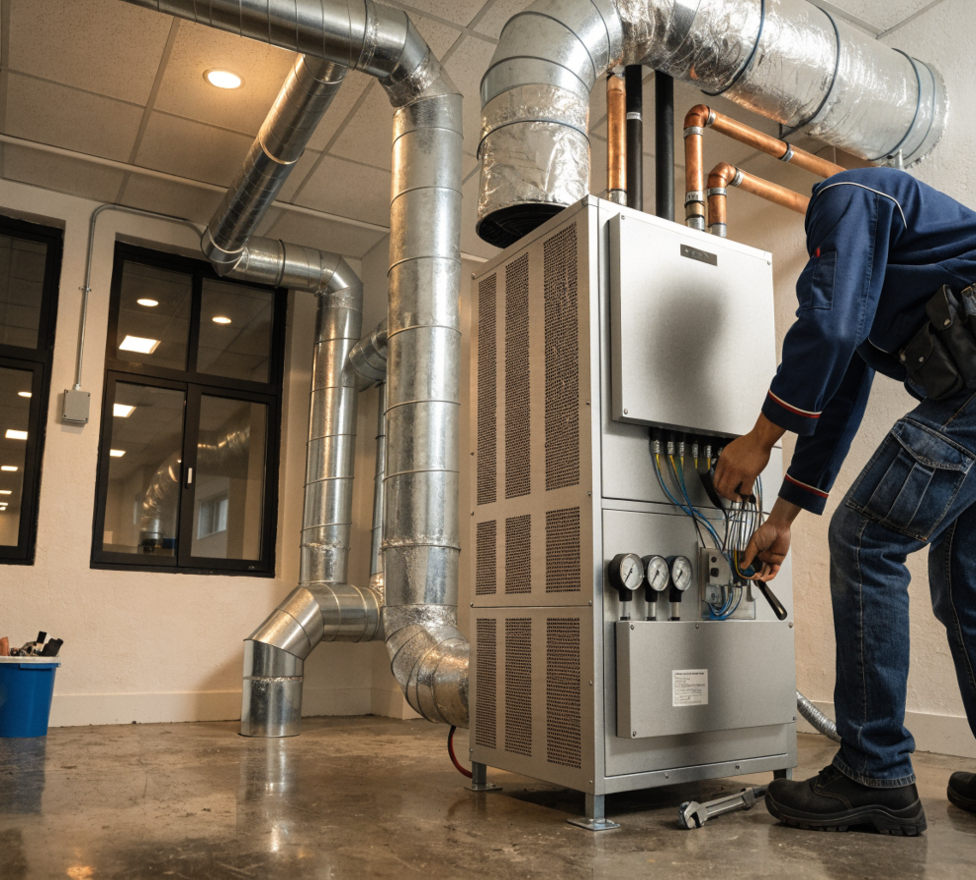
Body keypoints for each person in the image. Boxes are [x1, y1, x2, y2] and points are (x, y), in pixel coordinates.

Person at [713, 167, 976, 835]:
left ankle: (873, 773)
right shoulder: (888, 262)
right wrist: (781, 519)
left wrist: (759, 440)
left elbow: (827, 330)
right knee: (963, 582)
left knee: (867, 537)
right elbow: (837, 397)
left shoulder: (846, 197)